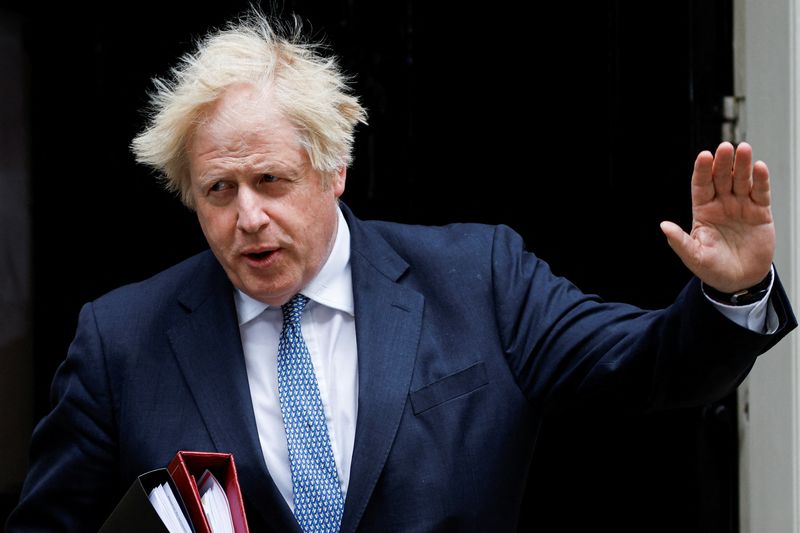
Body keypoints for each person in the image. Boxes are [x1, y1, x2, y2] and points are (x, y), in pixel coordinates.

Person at [7, 10, 796, 533]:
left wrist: (730, 290)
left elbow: (650, 367)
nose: (246, 215)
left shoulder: (479, 279)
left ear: (334, 168)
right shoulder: (123, 341)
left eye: (271, 181)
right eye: (219, 189)